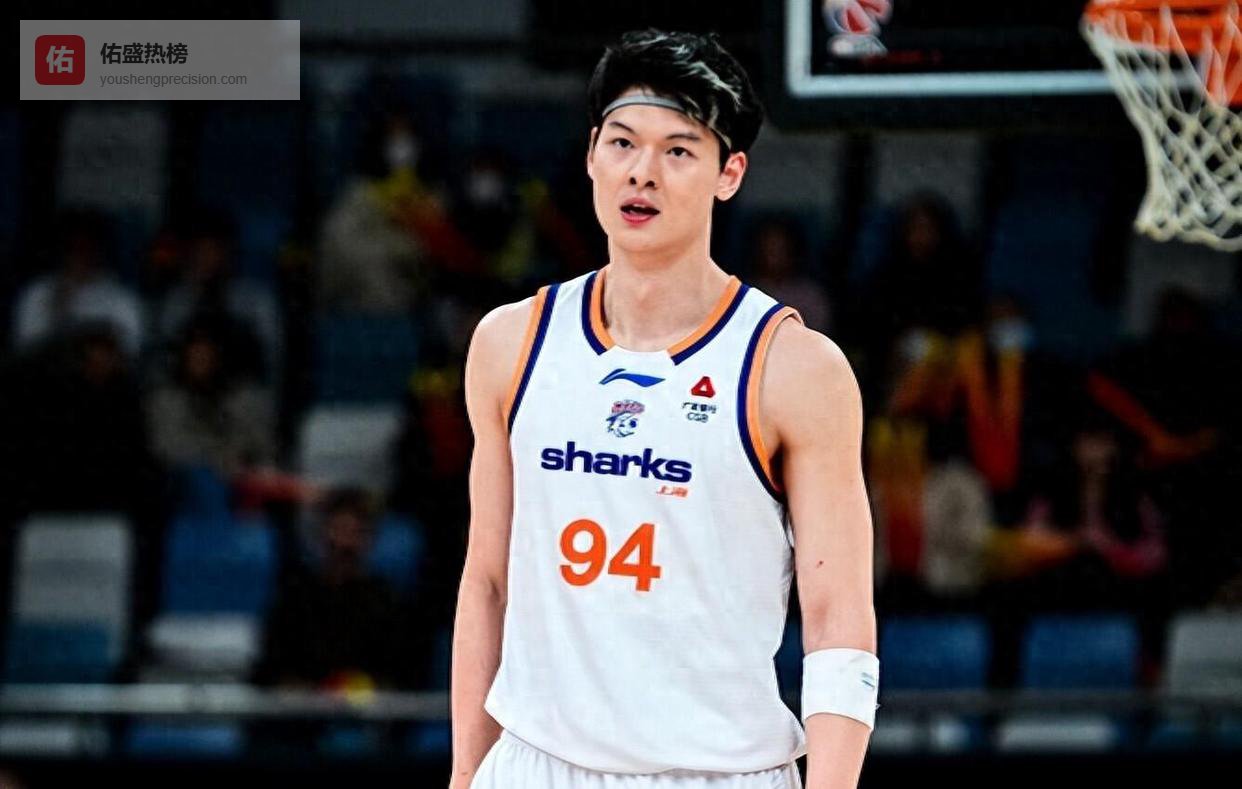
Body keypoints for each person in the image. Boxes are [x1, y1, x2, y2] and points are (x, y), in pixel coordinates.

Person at [453, 30, 877, 789]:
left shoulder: (795, 368)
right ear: (592, 154)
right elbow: (487, 581)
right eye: (623, 142)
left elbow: (838, 617)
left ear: (729, 173)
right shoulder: (509, 342)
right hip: (535, 764)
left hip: (717, 771)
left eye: (679, 150)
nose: (642, 172)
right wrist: (465, 771)